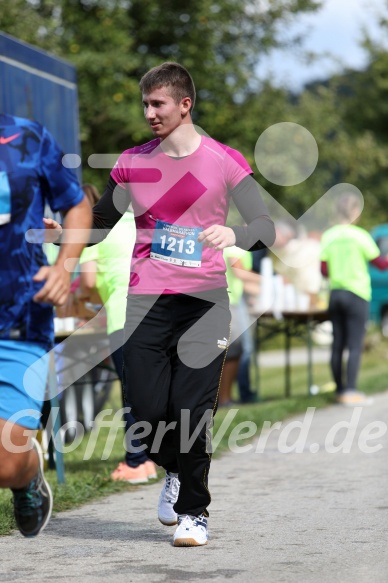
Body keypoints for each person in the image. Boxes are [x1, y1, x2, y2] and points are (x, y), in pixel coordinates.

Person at [91, 62, 275, 546]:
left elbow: (266, 226)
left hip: (204, 301)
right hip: (146, 299)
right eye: (145, 104)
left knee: (191, 411)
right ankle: (172, 470)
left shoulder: (223, 160)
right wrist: (60, 232)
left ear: (184, 104)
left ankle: (195, 512)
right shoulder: (134, 162)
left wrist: (235, 232)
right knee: (148, 413)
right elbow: (98, 222)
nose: (149, 113)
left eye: (159, 104)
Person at [0, 113, 91, 537]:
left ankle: (28, 472)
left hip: (20, 317)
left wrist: (64, 266)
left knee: (6, 461)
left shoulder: (27, 137)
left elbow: (75, 203)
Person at [75, 193, 157, 483]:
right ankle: (151, 459)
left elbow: (86, 283)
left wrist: (97, 297)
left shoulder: (93, 232)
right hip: (157, 314)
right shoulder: (143, 222)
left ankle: (136, 462)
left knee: (132, 394)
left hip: (123, 317)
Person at [320, 192, 388, 405]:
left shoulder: (328, 236)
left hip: (336, 293)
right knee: (355, 344)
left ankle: (339, 390)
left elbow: (323, 270)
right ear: (356, 211)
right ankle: (350, 391)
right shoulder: (361, 236)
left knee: (337, 343)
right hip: (357, 293)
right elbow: (381, 264)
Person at [219, 246, 260, 406]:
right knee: (232, 349)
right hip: (227, 302)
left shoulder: (242, 247)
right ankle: (224, 399)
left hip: (234, 301)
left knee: (235, 349)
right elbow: (239, 272)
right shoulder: (235, 245)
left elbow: (241, 280)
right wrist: (268, 279)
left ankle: (226, 398)